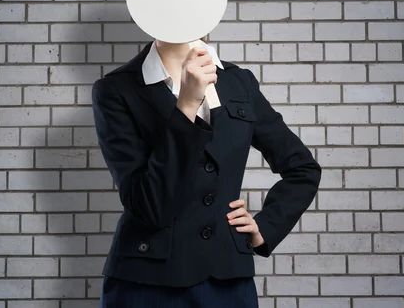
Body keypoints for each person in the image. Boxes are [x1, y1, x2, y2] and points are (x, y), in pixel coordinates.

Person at [92, 35, 322, 307]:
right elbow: (149, 207)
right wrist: (187, 105)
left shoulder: (239, 82)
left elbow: (302, 168)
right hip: (147, 278)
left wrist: (266, 227)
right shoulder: (116, 88)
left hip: (227, 277)